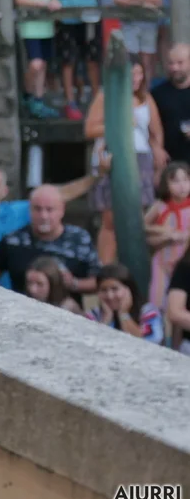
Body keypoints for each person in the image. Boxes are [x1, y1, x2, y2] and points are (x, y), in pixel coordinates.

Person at [0, 168, 101, 286]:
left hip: (9, 293)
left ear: (4, 191)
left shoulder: (19, 211)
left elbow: (60, 194)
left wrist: (97, 175)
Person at [83, 60, 164, 263]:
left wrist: (158, 153)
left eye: (139, 74)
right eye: (131, 74)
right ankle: (106, 268)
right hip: (112, 158)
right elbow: (90, 129)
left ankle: (133, 268)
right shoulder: (105, 96)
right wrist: (119, 123)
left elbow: (155, 131)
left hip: (141, 158)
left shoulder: (146, 97)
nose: (136, 79)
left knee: (137, 218)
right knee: (110, 220)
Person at [0, 185, 101, 304]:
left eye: (49, 209)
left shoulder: (80, 239)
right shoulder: (13, 241)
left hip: (64, 312)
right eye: (37, 209)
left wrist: (74, 284)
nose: (43, 216)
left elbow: (99, 282)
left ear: (62, 210)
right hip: (21, 310)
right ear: (29, 210)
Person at [51, 0, 102, 120]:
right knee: (68, 61)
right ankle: (70, 101)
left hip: (90, 17)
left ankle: (97, 100)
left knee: (92, 59)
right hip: (66, 20)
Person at [13, 0, 62, 119]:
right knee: (35, 64)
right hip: (29, 26)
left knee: (43, 65)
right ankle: (27, 94)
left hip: (46, 26)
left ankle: (39, 100)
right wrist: (43, 3)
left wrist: (54, 1)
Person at [145, 161, 190, 309]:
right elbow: (143, 226)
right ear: (166, 184)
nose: (182, 186)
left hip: (185, 264)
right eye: (175, 181)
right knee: (157, 303)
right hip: (162, 262)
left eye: (186, 180)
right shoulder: (160, 206)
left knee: (180, 303)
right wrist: (165, 233)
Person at [86, 264, 164, 344]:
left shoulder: (148, 311)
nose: (110, 296)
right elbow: (89, 343)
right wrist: (106, 319)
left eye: (115, 289)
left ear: (129, 289)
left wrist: (123, 314)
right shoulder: (93, 315)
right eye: (103, 290)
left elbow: (151, 341)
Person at [151, 44, 190, 165]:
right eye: (171, 63)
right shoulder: (157, 93)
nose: (174, 68)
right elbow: (148, 126)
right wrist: (156, 148)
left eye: (180, 63)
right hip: (169, 163)